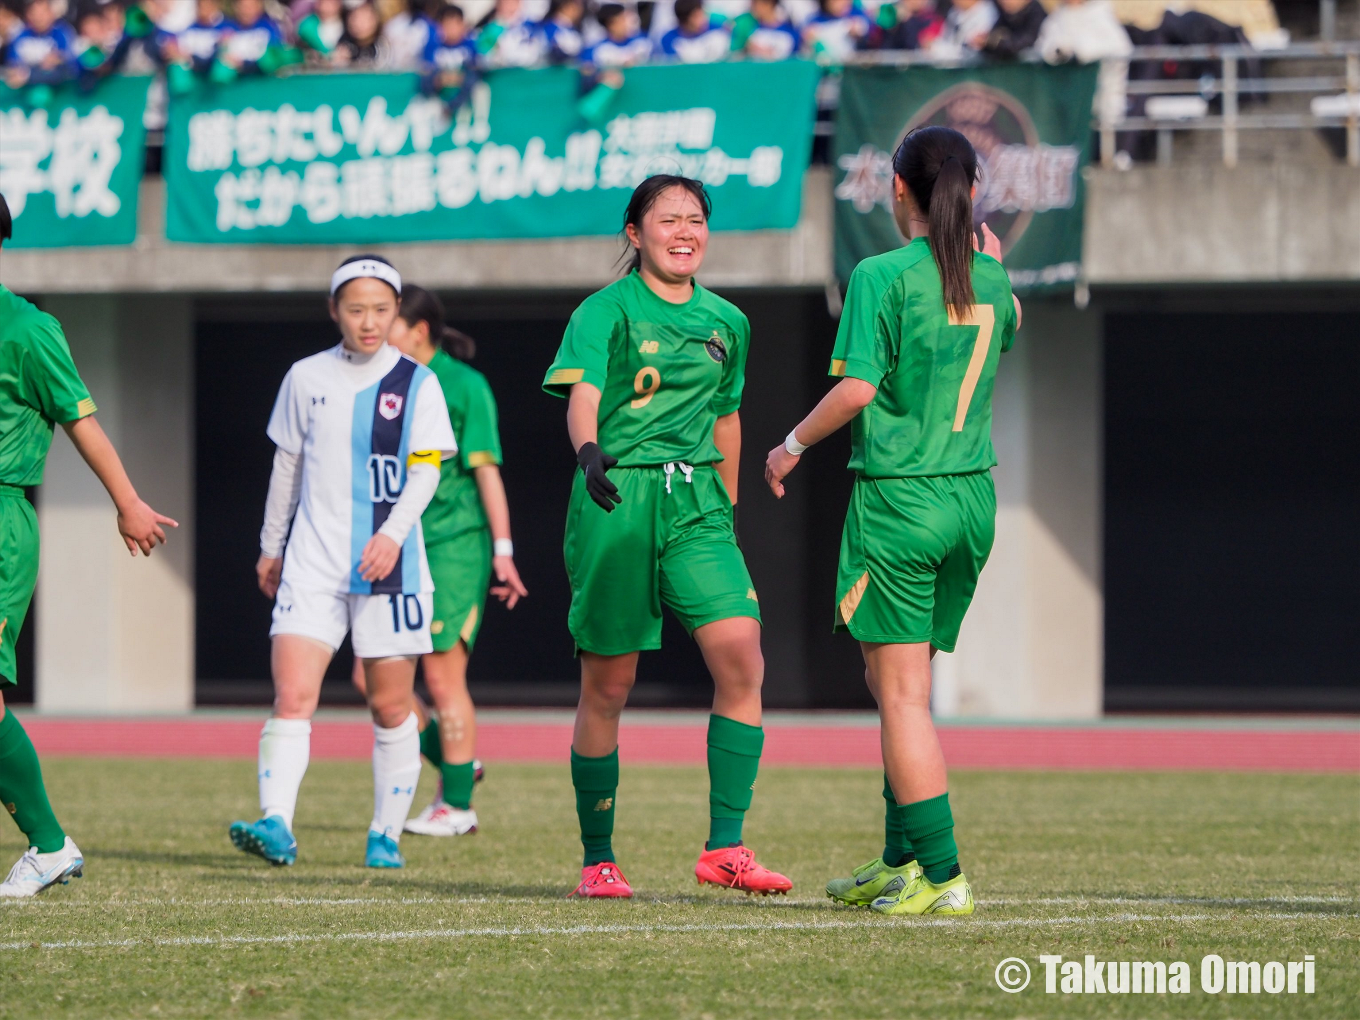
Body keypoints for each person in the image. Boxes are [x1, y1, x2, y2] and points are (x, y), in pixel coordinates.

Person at [765, 127, 1021, 917]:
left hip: (901, 498)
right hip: (972, 498)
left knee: (902, 694)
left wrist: (788, 445)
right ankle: (898, 861)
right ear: (973, 193)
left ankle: (943, 877)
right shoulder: (996, 283)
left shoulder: (881, 274)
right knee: (895, 684)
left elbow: (857, 391)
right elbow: (1005, 326)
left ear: (897, 189)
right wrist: (997, 276)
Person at [542, 175, 791, 899]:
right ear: (635, 232)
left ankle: (726, 848)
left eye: (695, 220)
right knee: (609, 685)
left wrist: (728, 511)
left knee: (741, 651)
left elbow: (727, 417)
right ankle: (598, 859)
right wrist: (587, 452)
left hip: (697, 505)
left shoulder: (728, 322)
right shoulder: (604, 310)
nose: (684, 231)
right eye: (667, 219)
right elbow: (583, 396)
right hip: (616, 496)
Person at [229, 255, 457, 870]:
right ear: (334, 310)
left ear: (397, 312)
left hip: (393, 565)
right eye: (355, 309)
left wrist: (392, 535)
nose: (369, 321)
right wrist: (271, 546)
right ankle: (276, 823)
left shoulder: (418, 382)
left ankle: (385, 831)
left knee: (389, 705)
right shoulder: (305, 377)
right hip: (313, 559)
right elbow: (287, 469)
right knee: (293, 695)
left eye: (381, 310)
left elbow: (426, 470)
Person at [0, 192, 179, 897]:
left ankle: (49, 846)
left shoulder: (28, 329)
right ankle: (48, 845)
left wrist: (129, 502)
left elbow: (82, 421)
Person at [350, 286, 527, 837]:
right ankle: (458, 764)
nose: (373, 328)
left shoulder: (464, 386)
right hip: (396, 543)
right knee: (369, 676)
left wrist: (503, 551)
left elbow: (487, 471)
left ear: (418, 330)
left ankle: (456, 807)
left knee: (442, 676)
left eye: (388, 318)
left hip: (452, 544)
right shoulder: (377, 380)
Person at [2, 0, 77, 90]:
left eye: (42, 13)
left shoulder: (63, 33)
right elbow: (12, 65)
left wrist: (59, 59)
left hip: (61, 91)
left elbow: (70, 63)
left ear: (51, 13)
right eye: (33, 13)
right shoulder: (20, 36)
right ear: (27, 15)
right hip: (24, 92)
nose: (38, 18)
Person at [580, 3, 650, 70]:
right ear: (610, 24)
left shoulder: (641, 42)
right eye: (622, 20)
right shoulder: (596, 50)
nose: (625, 24)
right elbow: (586, 70)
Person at [658, 0, 729, 64]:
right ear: (684, 20)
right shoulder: (669, 40)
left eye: (703, 13)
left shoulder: (717, 30)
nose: (703, 19)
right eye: (696, 16)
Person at [802, 0, 872, 64]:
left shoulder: (857, 16)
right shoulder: (814, 20)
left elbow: (865, 30)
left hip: (850, 65)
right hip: (823, 66)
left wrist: (857, 32)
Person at [730, 0, 800, 61]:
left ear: (768, 4)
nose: (752, 8)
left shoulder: (789, 33)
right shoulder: (750, 28)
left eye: (755, 4)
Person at [981, 0, 1046, 58]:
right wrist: (985, 41)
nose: (1004, 1)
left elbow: (1025, 42)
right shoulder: (1005, 14)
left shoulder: (1037, 14)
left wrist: (995, 43)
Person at [534, 0, 583, 65]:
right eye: (575, 7)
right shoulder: (550, 28)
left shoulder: (572, 28)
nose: (579, 11)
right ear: (565, 7)